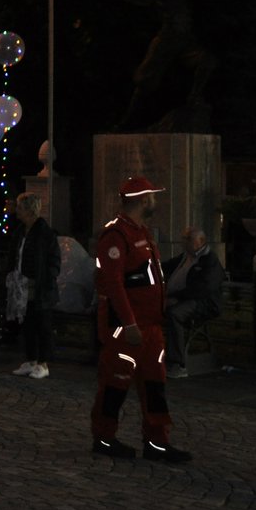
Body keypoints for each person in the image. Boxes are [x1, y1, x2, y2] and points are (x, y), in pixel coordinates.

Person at [91, 176, 192, 463]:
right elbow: (113, 284)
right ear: (144, 200)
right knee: (115, 384)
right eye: (153, 197)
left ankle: (157, 443)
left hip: (149, 327)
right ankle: (104, 438)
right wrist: (129, 323)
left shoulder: (141, 232)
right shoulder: (116, 236)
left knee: (154, 386)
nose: (156, 202)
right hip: (126, 330)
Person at [161, 225, 225, 377]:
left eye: (188, 239)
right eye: (184, 238)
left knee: (175, 314)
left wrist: (177, 298)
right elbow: (166, 266)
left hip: (202, 302)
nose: (184, 242)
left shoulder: (209, 260)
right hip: (182, 297)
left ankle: (177, 363)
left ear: (201, 241)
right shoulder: (185, 257)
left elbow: (203, 288)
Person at [10, 192, 60, 379]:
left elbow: (53, 261)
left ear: (30, 210)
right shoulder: (22, 232)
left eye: (20, 208)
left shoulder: (45, 234)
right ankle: (31, 359)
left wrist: (45, 280)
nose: (17, 211)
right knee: (28, 324)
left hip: (39, 287)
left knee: (42, 325)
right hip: (23, 286)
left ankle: (43, 363)